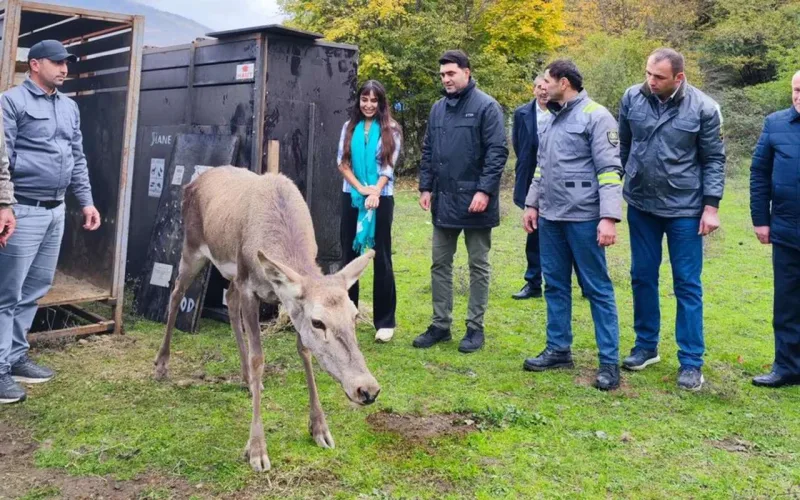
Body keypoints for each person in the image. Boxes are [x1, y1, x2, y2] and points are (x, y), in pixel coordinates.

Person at [0, 40, 101, 404]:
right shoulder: (11, 102)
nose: (64, 69)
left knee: (35, 288)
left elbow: (77, 157)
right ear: (35, 64)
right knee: (7, 292)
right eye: (57, 62)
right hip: (22, 210)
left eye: (66, 63)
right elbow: (1, 157)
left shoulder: (69, 107)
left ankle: (15, 358)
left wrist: (86, 202)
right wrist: (3, 204)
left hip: (55, 211)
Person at [618, 48, 725, 391]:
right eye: (648, 73)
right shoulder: (632, 97)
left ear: (679, 77)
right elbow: (624, 146)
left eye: (659, 77)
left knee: (687, 284)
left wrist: (711, 207)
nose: (650, 81)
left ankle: (691, 362)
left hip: (685, 209)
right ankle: (645, 346)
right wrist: (619, 184)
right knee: (641, 276)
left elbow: (714, 159)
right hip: (641, 205)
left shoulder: (704, 108)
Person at [521, 59, 623, 391]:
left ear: (563, 83)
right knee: (554, 285)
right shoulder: (551, 118)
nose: (542, 86)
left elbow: (610, 171)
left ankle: (609, 362)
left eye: (547, 80)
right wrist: (532, 203)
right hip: (551, 218)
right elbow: (541, 167)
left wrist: (608, 217)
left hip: (584, 219)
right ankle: (558, 349)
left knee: (597, 289)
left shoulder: (597, 116)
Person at [414, 49, 508, 354]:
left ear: (467, 72)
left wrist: (484, 191)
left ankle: (474, 327)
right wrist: (425, 187)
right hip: (443, 200)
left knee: (478, 264)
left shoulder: (487, 107)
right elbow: (429, 151)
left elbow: (497, 152)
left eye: (451, 73)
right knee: (440, 263)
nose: (446, 79)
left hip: (476, 202)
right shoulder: (437, 109)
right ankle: (440, 325)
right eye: (442, 74)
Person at [337, 80, 402, 343]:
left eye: (374, 100)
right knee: (349, 255)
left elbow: (388, 166)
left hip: (381, 197)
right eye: (365, 99)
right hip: (352, 196)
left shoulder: (392, 129)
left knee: (381, 256)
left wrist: (375, 191)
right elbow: (342, 163)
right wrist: (361, 189)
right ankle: (347, 314)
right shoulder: (348, 127)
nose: (369, 105)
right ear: (359, 101)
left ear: (381, 103)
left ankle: (385, 322)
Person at [512, 74, 584, 300]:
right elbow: (519, 147)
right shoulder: (522, 114)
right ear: (533, 89)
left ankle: (585, 283)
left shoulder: (564, 111)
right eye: (539, 87)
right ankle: (533, 282)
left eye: (546, 87)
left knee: (573, 233)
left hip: (563, 183)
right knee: (534, 233)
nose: (543, 91)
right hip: (532, 181)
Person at [749, 70, 800, 388]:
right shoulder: (775, 124)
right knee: (787, 303)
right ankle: (787, 367)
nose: (799, 97)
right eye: (796, 90)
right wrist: (761, 219)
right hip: (786, 230)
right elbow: (759, 173)